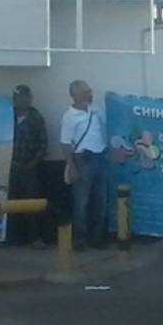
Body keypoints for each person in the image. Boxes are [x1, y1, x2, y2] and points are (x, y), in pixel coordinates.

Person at [60, 80, 108, 250]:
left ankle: (97, 239)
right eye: (87, 91)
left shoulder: (95, 110)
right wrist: (72, 166)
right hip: (83, 159)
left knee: (100, 201)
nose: (90, 93)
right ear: (76, 95)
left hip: (100, 157)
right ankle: (80, 240)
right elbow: (65, 144)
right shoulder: (70, 116)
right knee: (81, 203)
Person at [9, 84, 48, 248]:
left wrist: (33, 163)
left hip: (29, 167)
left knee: (32, 204)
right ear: (14, 99)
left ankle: (34, 238)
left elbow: (43, 144)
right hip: (9, 167)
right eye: (20, 96)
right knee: (7, 203)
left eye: (26, 96)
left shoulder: (36, 118)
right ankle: (9, 238)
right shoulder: (5, 116)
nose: (23, 99)